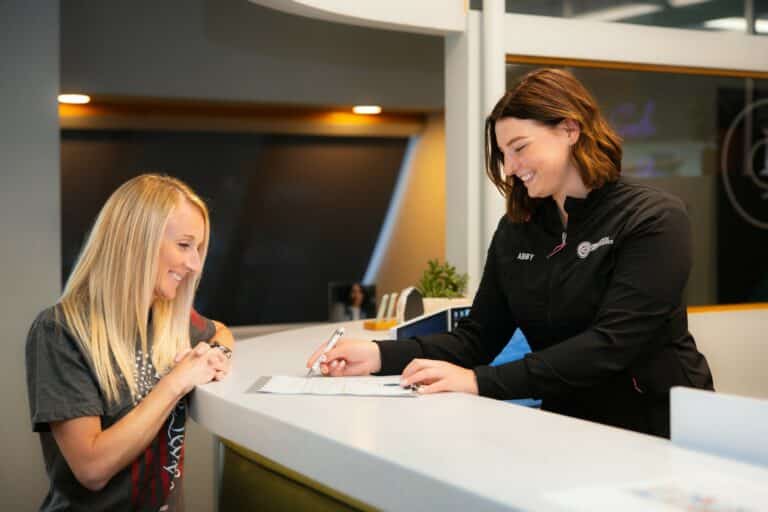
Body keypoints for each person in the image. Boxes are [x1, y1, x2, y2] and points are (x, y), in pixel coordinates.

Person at [307, 68, 714, 438]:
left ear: (570, 129)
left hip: (656, 425)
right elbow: (477, 337)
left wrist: (479, 382)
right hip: (567, 421)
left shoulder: (654, 218)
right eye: (503, 153)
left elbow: (611, 345)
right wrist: (377, 355)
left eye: (519, 147)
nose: (509, 167)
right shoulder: (518, 229)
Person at [25, 174, 235, 510]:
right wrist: (176, 382)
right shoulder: (59, 331)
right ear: (137, 242)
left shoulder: (165, 316)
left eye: (198, 249)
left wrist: (217, 353)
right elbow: (92, 468)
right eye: (184, 245)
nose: (194, 264)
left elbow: (221, 332)